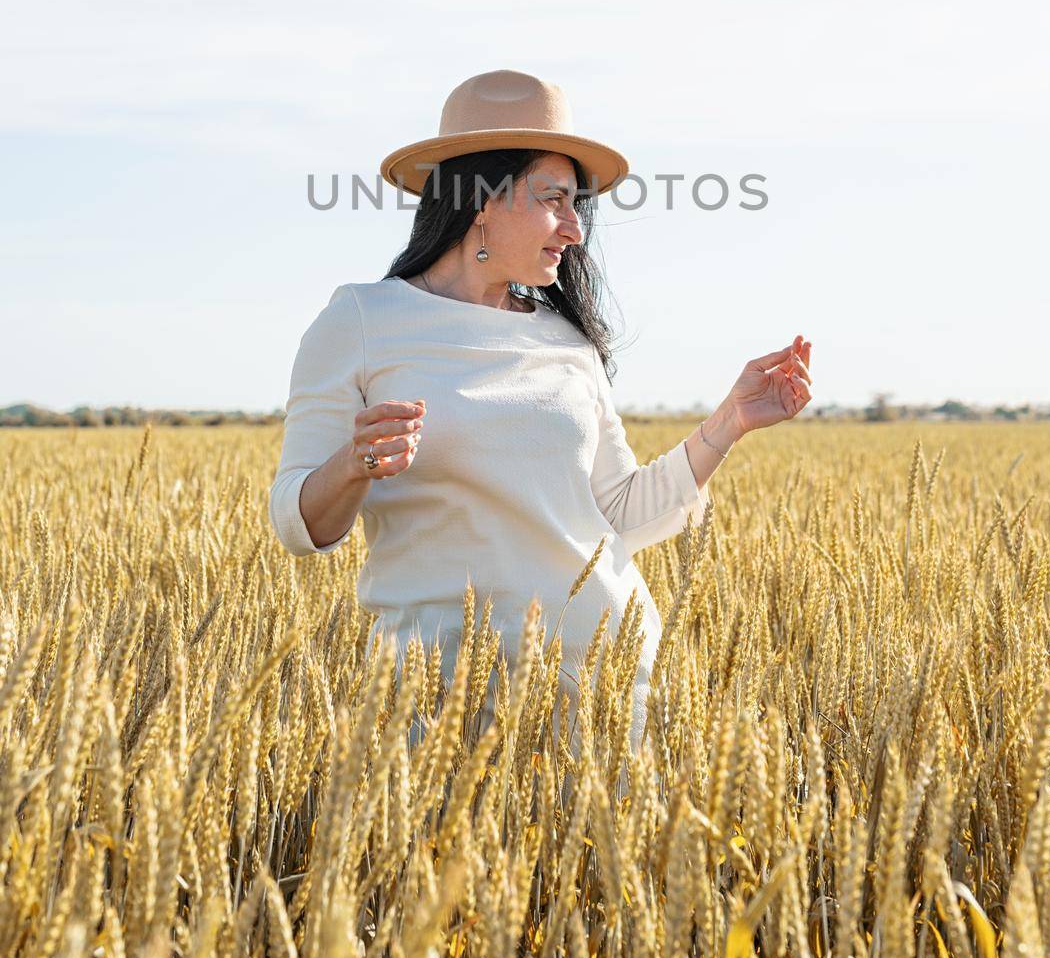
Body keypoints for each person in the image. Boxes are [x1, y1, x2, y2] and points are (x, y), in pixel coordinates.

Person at [268, 68, 813, 768]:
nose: (576, 228)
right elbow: (297, 523)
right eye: (555, 199)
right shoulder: (362, 320)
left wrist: (729, 422)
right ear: (480, 201)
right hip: (445, 707)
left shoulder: (566, 340)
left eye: (576, 204)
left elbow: (617, 514)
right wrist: (353, 465)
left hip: (610, 688)